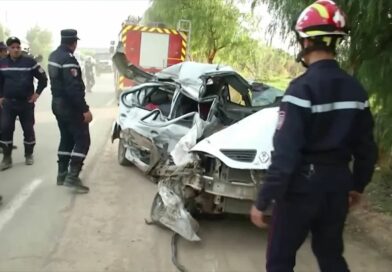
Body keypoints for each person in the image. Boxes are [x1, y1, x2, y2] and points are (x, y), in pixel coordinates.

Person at [250, 1, 378, 271]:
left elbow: (285, 155)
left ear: (306, 41)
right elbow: (366, 148)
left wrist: (264, 200)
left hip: (300, 188)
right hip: (337, 187)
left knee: (280, 259)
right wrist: (357, 185)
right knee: (331, 255)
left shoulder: (300, 90)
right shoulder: (356, 91)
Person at [48, 29, 92, 193]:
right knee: (83, 141)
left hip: (57, 105)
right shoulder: (69, 60)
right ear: (74, 43)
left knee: (66, 138)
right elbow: (73, 89)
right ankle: (72, 177)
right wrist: (85, 110)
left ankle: (62, 174)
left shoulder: (53, 56)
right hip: (69, 107)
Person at [0, 37, 48, 170]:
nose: (16, 50)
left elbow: (43, 79)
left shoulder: (29, 62)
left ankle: (29, 154)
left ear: (20, 48)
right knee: (5, 129)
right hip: (8, 104)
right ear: (8, 49)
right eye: (13, 47)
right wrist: (1, 97)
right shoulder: (2, 63)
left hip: (26, 103)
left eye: (18, 47)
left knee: (28, 129)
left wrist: (36, 94)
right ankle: (7, 158)